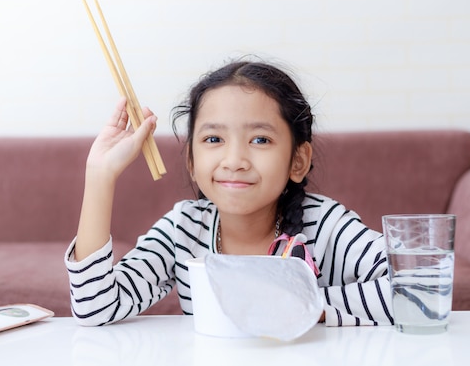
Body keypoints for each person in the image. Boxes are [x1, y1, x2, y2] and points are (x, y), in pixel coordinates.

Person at [65, 60, 394, 327]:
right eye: (213, 139)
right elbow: (96, 308)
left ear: (298, 160)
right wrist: (99, 175)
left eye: (260, 140)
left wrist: (308, 305)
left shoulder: (324, 226)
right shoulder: (184, 229)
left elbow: (415, 286)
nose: (235, 161)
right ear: (191, 161)